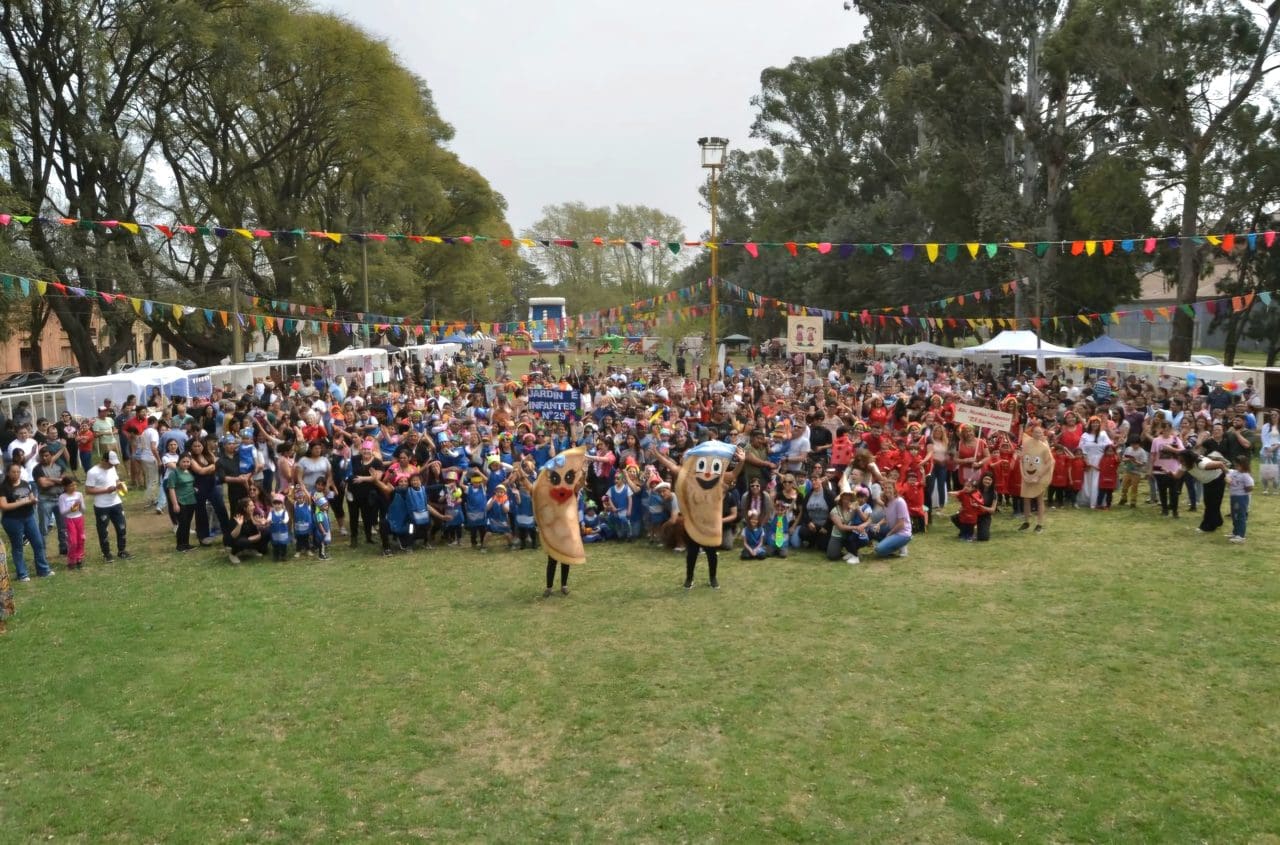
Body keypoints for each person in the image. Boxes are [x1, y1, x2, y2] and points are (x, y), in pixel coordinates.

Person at [0, 461, 53, 580]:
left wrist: (33, 500)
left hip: (29, 517)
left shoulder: (24, 483)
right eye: (13, 472)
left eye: (18, 472)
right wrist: (22, 502)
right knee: (18, 547)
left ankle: (43, 570)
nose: (16, 474)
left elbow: (30, 497)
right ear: (8, 473)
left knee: (38, 543)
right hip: (12, 520)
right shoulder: (3, 487)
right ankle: (22, 573)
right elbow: (3, 506)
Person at [84, 450, 130, 561]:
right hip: (102, 506)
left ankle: (122, 550)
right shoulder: (93, 472)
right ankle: (106, 554)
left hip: (116, 503)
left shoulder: (112, 468)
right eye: (110, 463)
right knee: (103, 531)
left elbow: (116, 480)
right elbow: (88, 490)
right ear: (104, 460)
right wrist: (106, 490)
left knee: (122, 527)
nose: (112, 466)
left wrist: (120, 485)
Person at [33, 446, 69, 557]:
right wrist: (58, 480)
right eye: (42, 456)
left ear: (52, 455)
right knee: (44, 528)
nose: (44, 458)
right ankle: (42, 551)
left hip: (60, 498)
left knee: (63, 526)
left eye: (46, 456)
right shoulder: (37, 469)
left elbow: (65, 481)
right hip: (45, 500)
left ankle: (64, 548)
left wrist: (50, 479)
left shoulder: (60, 466)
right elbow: (43, 484)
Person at [164, 453, 198, 552]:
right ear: (179, 462)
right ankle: (180, 545)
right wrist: (175, 504)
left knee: (187, 523)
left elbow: (190, 484)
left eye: (188, 462)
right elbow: (171, 488)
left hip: (191, 500)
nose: (186, 464)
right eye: (184, 461)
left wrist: (194, 489)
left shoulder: (189, 472)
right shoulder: (174, 473)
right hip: (181, 501)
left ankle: (186, 544)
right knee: (182, 523)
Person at [874, 479, 912, 558]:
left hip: (903, 533)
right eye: (885, 488)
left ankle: (900, 545)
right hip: (893, 530)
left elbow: (901, 524)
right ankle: (891, 543)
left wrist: (890, 534)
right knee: (872, 529)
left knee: (879, 550)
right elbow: (886, 518)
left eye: (890, 488)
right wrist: (878, 524)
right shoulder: (886, 502)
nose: (887, 490)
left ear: (894, 489)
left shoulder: (900, 502)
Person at [58, 477, 86, 569]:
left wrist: (80, 505)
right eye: (71, 486)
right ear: (65, 487)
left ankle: (79, 558)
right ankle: (71, 560)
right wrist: (71, 509)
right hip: (70, 520)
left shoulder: (79, 494)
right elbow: (62, 512)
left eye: (75, 485)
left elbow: (83, 510)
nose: (74, 487)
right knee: (73, 541)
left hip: (79, 519)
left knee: (81, 539)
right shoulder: (62, 497)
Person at [1226, 455, 1254, 543]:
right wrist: (1227, 479)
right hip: (1233, 496)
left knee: (1240, 515)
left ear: (1244, 465)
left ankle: (1240, 536)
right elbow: (1227, 475)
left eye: (1238, 465)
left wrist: (1243, 490)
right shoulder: (1235, 472)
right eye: (1235, 465)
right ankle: (1235, 532)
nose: (1236, 467)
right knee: (1234, 515)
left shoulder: (1245, 475)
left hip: (1241, 497)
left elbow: (1250, 487)